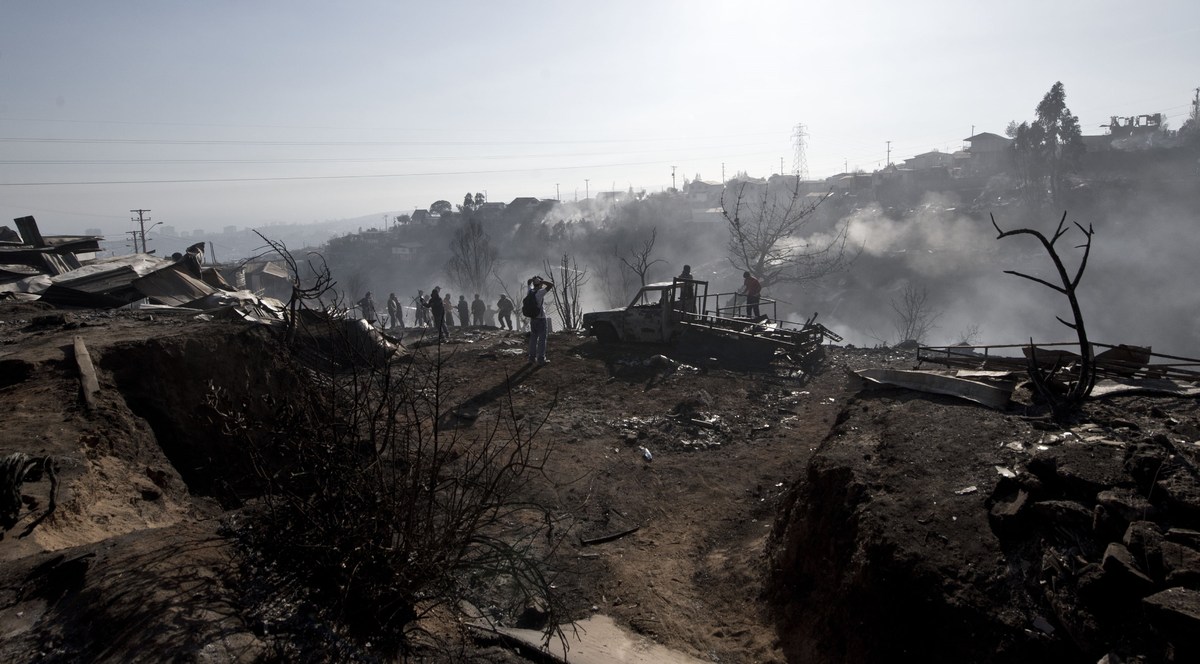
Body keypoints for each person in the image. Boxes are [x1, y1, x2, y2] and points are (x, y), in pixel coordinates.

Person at [525, 275, 555, 365]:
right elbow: (551, 285)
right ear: (540, 284)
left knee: (533, 338)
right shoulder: (540, 293)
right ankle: (541, 359)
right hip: (541, 319)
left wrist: (532, 281)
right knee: (542, 339)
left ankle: (531, 358)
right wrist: (542, 282)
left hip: (533, 319)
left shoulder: (530, 292)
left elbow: (528, 283)